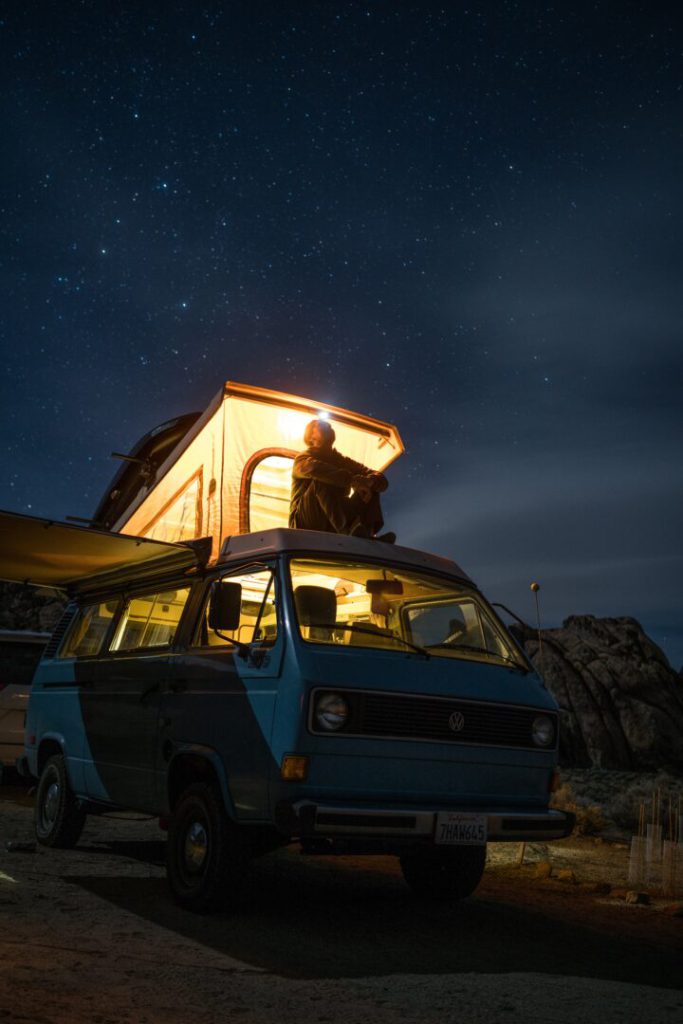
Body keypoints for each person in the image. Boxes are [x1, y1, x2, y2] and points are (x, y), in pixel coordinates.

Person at [289, 419, 396, 542]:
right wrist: (352, 480)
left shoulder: (341, 461)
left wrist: (369, 481)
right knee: (323, 477)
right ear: (311, 436)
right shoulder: (302, 459)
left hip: (334, 521)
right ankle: (349, 531)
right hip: (304, 523)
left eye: (328, 425)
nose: (329, 425)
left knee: (370, 485)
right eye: (322, 425)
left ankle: (368, 535)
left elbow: (380, 479)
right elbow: (314, 468)